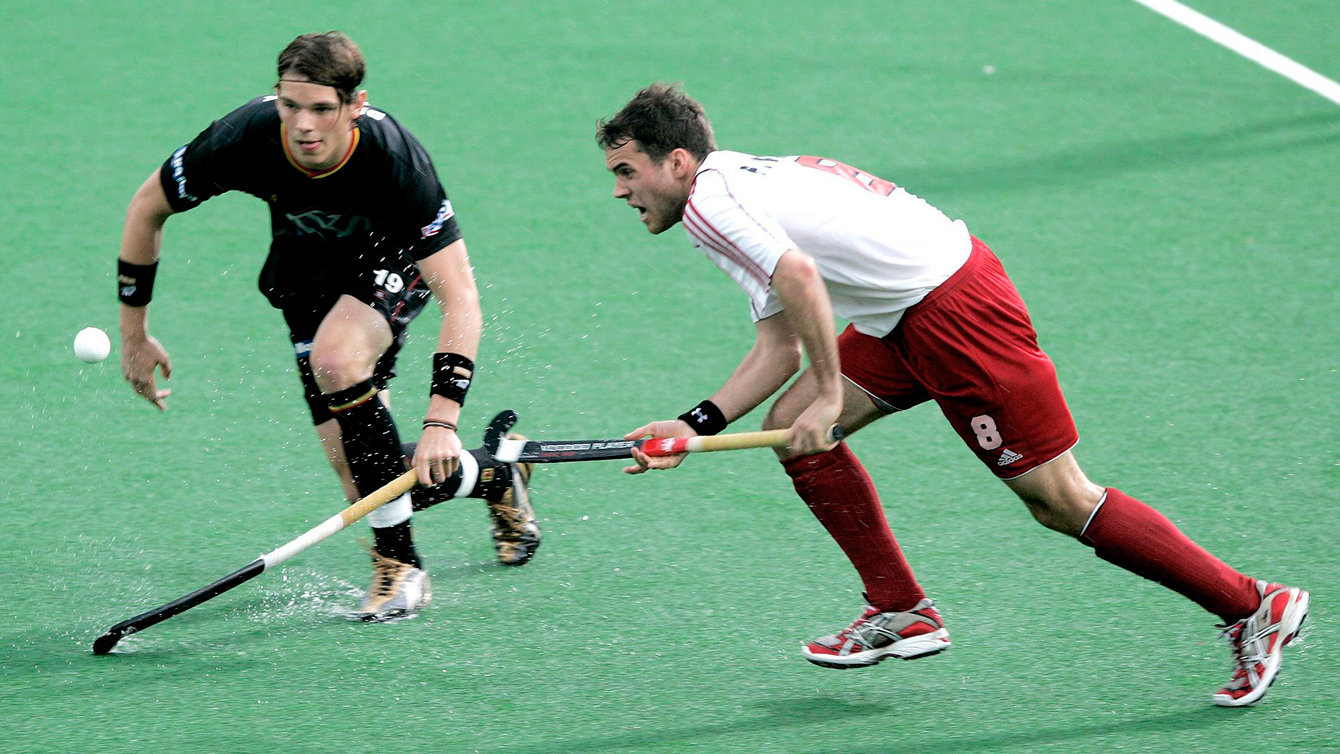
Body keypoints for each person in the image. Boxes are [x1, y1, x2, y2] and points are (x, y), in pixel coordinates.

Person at [596, 83, 1308, 706]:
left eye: (628, 171)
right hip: (904, 312)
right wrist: (695, 425)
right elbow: (779, 341)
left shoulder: (713, 204)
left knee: (1058, 499)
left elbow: (803, 280)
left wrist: (823, 397)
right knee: (791, 426)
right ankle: (900, 607)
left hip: (957, 316)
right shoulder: (728, 188)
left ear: (676, 162)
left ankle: (1253, 605)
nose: (621, 190)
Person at [117, 31, 540, 622]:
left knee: (336, 359)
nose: (303, 125)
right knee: (361, 479)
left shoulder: (395, 162)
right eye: (291, 106)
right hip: (308, 278)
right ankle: (494, 475)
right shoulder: (244, 139)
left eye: (321, 108)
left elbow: (462, 297)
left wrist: (443, 417)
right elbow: (147, 208)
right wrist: (134, 335)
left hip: (393, 262)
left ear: (355, 105)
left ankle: (401, 567)